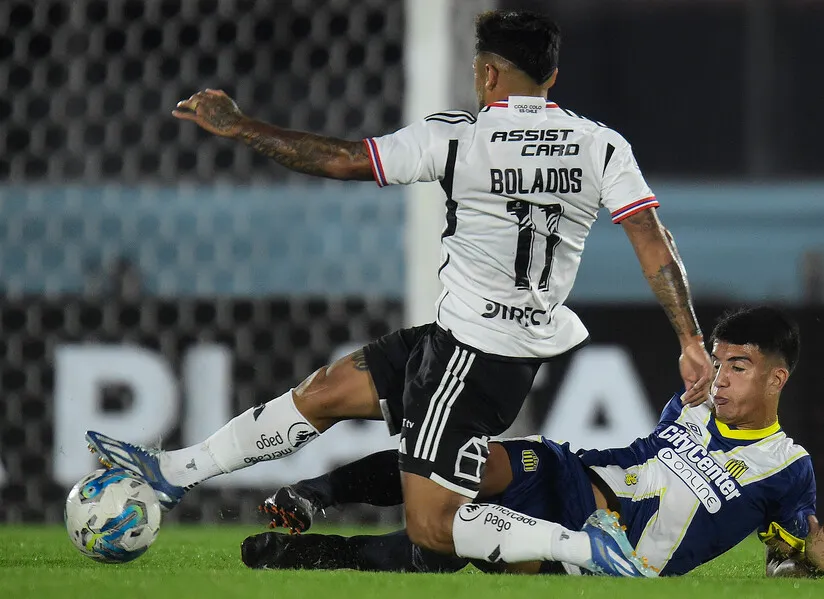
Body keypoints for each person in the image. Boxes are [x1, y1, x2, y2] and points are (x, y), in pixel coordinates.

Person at [85, 10, 712, 576]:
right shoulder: (601, 146)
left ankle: (588, 548)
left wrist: (241, 126)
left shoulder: (459, 136)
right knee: (325, 392)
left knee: (432, 528)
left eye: (476, 68)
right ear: (551, 76)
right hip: (487, 343)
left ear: (490, 75)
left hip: (471, 354)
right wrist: (689, 339)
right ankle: (175, 473)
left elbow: (340, 159)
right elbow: (653, 242)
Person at [242, 308, 824, 578]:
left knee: (435, 551)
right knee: (467, 460)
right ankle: (311, 493)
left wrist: (810, 564)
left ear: (778, 377)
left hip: (613, 555)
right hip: (570, 472)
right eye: (719, 362)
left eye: (740, 367)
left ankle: (296, 556)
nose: (720, 377)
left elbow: (781, 560)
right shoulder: (690, 404)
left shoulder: (787, 466)